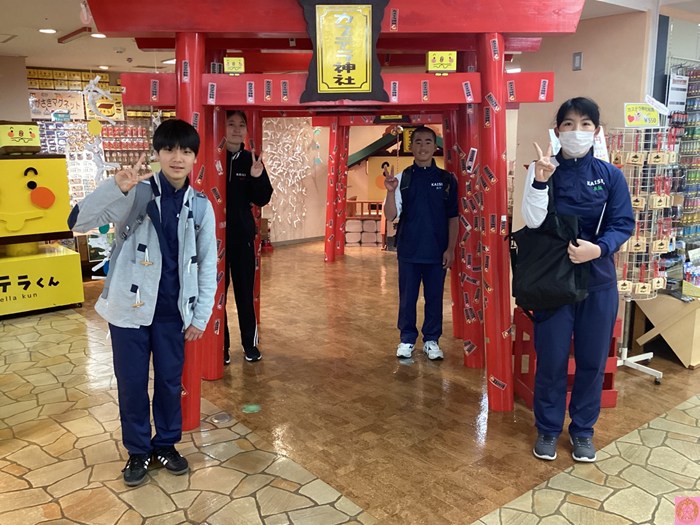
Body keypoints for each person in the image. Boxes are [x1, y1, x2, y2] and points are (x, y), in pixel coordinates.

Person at [68, 119, 217, 486]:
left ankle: (165, 444)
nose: (177, 158)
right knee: (132, 384)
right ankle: (137, 451)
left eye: (186, 151)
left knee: (168, 383)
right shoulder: (135, 192)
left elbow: (208, 264)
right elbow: (78, 222)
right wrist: (114, 188)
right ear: (157, 154)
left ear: (195, 158)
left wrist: (200, 316)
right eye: (169, 149)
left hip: (172, 314)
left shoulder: (200, 206)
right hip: (128, 311)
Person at [522, 97, 634, 463]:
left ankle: (583, 431)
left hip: (598, 281)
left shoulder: (611, 175)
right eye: (568, 124)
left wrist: (598, 249)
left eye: (585, 124)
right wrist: (540, 182)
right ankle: (548, 429)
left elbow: (623, 223)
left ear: (596, 131)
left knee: (591, 361)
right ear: (557, 131)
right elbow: (533, 221)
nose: (577, 131)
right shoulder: (543, 168)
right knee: (551, 359)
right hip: (552, 281)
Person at [383, 126, 458, 361]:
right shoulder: (402, 178)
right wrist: (390, 191)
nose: (422, 146)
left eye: (427, 142)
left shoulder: (446, 179)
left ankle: (431, 340)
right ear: (411, 146)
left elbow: (453, 217)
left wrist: (451, 249)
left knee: (434, 298)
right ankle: (406, 339)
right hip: (409, 250)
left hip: (437, 251)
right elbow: (390, 215)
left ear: (434, 146)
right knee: (407, 298)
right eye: (417, 142)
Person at [223, 110, 273, 364]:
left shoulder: (250, 159)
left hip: (242, 238)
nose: (236, 129)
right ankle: (220, 346)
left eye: (241, 125)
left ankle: (249, 345)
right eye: (230, 124)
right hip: (213, 240)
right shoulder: (211, 156)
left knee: (245, 295)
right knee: (216, 296)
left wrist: (257, 177)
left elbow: (263, 198)